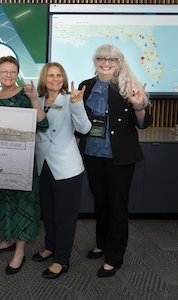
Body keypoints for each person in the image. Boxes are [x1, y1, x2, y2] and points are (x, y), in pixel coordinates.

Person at [78, 44, 153, 277]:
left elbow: (142, 122)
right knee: (100, 203)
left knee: (117, 206)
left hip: (119, 157)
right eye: (101, 58)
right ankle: (102, 243)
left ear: (119, 62)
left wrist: (139, 104)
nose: (106, 62)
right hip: (92, 154)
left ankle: (115, 256)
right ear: (95, 60)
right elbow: (80, 121)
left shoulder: (128, 85)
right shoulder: (85, 86)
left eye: (112, 59)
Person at [0, 56, 48, 275]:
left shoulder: (25, 95)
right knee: (3, 201)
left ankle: (19, 250)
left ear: (17, 73)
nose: (8, 75)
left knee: (22, 206)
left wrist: (34, 100)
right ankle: (8, 239)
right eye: (4, 72)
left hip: (22, 162)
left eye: (12, 72)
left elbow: (43, 123)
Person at [32, 62, 92, 279]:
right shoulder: (37, 100)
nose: (55, 79)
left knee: (64, 217)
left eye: (59, 75)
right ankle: (50, 246)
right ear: (44, 78)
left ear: (64, 78)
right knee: (48, 212)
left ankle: (62, 259)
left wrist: (77, 104)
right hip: (44, 165)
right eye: (50, 75)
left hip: (66, 168)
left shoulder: (70, 100)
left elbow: (85, 129)